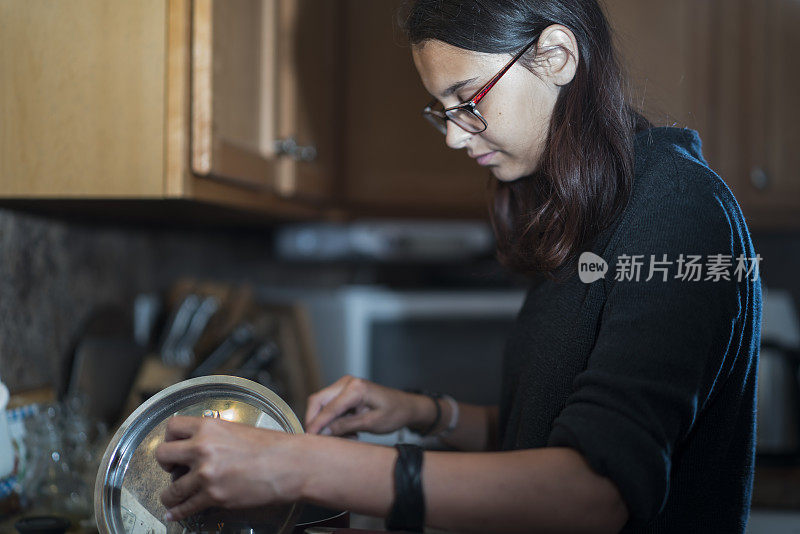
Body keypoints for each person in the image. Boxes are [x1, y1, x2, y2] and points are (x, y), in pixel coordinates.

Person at [154, 1, 762, 532]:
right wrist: (430, 414)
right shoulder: (588, 215)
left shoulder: (678, 211)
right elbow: (550, 432)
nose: (452, 137)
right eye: (441, 109)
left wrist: (295, 464)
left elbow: (591, 494)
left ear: (555, 56)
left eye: (466, 99)